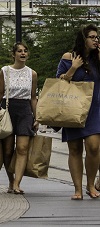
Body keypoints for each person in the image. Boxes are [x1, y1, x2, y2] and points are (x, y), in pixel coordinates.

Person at [57, 25, 100, 200]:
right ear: (83, 39)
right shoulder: (69, 57)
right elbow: (59, 80)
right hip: (73, 108)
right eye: (92, 37)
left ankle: (91, 184)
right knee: (74, 149)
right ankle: (78, 189)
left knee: (94, 147)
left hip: (95, 109)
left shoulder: (98, 58)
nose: (96, 40)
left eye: (97, 37)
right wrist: (73, 68)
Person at [0, 42, 38, 195]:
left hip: (25, 111)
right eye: (19, 51)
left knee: (22, 148)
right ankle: (11, 180)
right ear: (14, 54)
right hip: (8, 109)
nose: (23, 53)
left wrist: (36, 117)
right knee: (7, 150)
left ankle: (17, 183)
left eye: (25, 51)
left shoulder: (32, 73)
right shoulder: (5, 71)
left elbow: (33, 97)